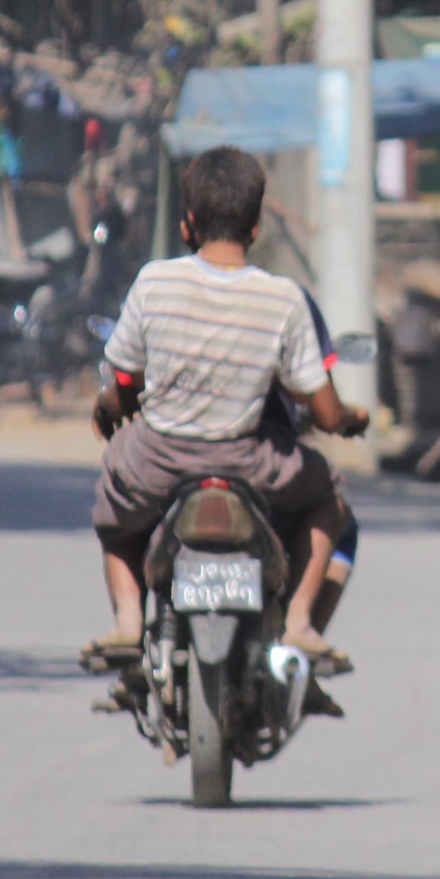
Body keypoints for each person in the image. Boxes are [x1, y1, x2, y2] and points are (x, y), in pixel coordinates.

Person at [85, 146, 365, 672]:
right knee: (329, 493)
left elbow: (123, 381)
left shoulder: (153, 281)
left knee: (113, 512)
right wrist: (352, 418)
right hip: (247, 462)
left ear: (188, 223)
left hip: (158, 459)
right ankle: (301, 622)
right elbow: (325, 412)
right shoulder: (284, 299)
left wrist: (109, 409)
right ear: (256, 226)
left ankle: (127, 621)